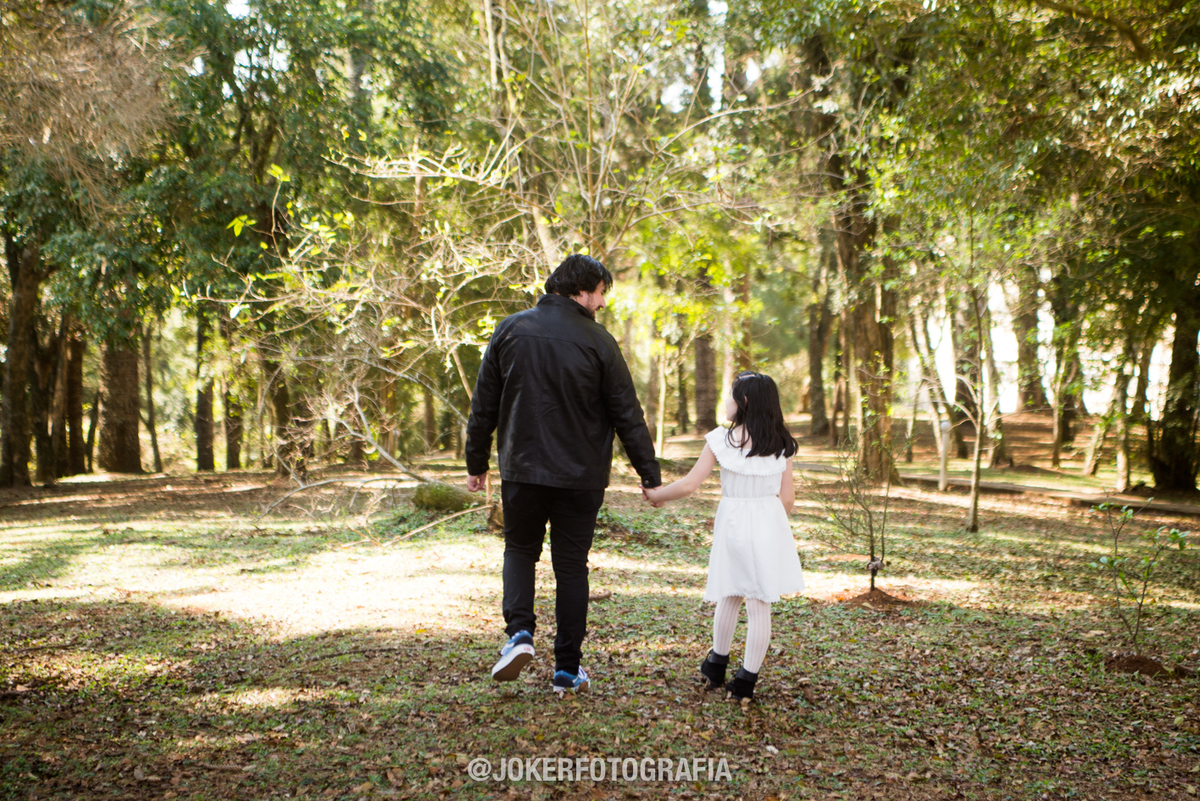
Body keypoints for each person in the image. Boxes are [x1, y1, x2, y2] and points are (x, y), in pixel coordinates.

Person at [465, 254, 661, 693]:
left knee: (519, 550)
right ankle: (567, 670)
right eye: (601, 294)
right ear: (583, 289)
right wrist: (649, 476)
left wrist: (476, 463)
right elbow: (627, 414)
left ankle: (519, 633)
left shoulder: (510, 329)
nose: (602, 304)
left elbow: (484, 405)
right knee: (571, 566)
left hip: (522, 469)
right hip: (581, 475)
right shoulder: (600, 342)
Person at [642, 371, 803, 701]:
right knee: (759, 604)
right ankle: (746, 679)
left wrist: (657, 495)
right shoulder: (780, 446)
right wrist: (769, 526)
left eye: (731, 395)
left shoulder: (723, 440)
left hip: (732, 524)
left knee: (729, 591)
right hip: (767, 524)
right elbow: (787, 501)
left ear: (743, 402)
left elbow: (689, 485)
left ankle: (716, 663)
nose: (726, 402)